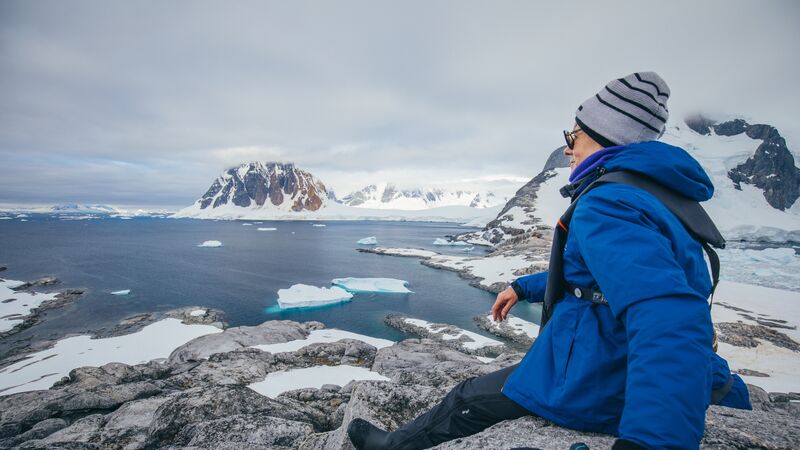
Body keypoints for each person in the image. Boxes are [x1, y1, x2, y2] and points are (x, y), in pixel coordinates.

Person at [347, 72, 752, 450]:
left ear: (604, 137)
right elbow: (600, 276)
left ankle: (390, 447)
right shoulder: (656, 193)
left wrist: (650, 440)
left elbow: (665, 315)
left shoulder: (607, 203)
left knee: (465, 398)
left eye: (573, 135)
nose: (568, 146)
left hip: (598, 378)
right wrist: (523, 287)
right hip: (618, 358)